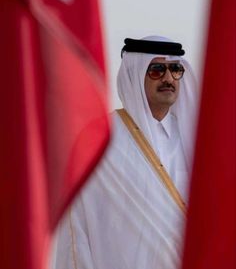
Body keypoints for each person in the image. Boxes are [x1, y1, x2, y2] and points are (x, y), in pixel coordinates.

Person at [51, 35, 198, 269]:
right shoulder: (101, 139)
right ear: (134, 75)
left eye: (175, 70)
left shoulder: (193, 141)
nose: (169, 78)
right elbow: (77, 224)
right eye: (157, 70)